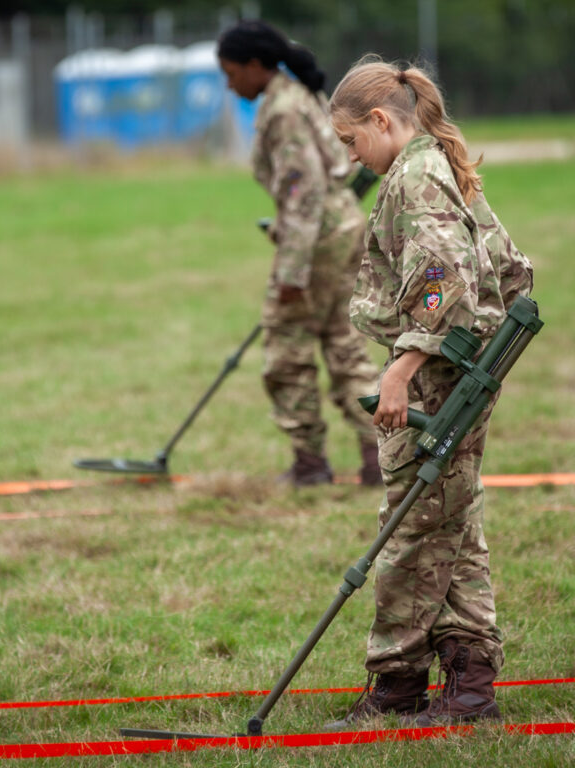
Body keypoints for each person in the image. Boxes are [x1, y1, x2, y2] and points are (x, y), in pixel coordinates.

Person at [326, 57, 533, 726]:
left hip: (443, 372)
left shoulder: (417, 174)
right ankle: (470, 684)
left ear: (381, 121)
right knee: (453, 523)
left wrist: (401, 368)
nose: (352, 157)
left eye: (352, 141)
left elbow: (447, 284)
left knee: (413, 531)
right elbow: (502, 271)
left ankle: (396, 686)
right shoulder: (432, 164)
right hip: (460, 366)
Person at [217, 21, 382, 487]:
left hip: (315, 238)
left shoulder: (284, 108)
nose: (230, 85)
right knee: (344, 345)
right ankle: (377, 459)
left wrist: (291, 272)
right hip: (339, 226)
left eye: (231, 73)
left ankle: (310, 465)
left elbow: (303, 191)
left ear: (254, 65)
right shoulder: (295, 94)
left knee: (287, 352)